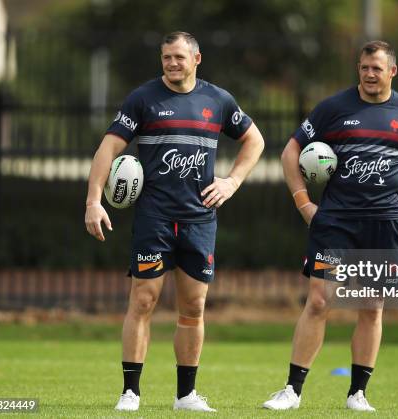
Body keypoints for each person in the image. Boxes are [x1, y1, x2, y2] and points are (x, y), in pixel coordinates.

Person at [84, 31, 264, 412]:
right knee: (143, 299)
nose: (172, 64)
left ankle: (186, 396)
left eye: (179, 57)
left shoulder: (217, 100)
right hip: (155, 219)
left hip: (200, 220)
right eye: (166, 58)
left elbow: (255, 141)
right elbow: (108, 148)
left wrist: (232, 181)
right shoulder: (143, 99)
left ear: (196, 59)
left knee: (194, 307)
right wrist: (93, 201)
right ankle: (130, 392)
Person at [262, 40, 398, 412]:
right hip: (335, 223)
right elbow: (291, 151)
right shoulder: (334, 108)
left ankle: (358, 393)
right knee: (320, 300)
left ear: (392, 71)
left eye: (376, 68)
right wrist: (303, 202)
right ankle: (292, 390)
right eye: (363, 68)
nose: (369, 74)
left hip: (385, 226)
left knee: (372, 305)